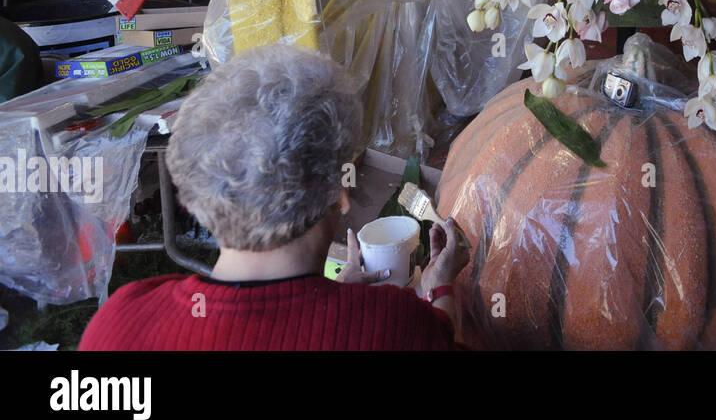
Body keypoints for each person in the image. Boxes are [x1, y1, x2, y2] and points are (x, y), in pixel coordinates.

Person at [80, 43, 468, 350]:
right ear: (339, 195)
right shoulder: (397, 328)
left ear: (200, 194)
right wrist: (440, 285)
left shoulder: (119, 319)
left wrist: (337, 301)